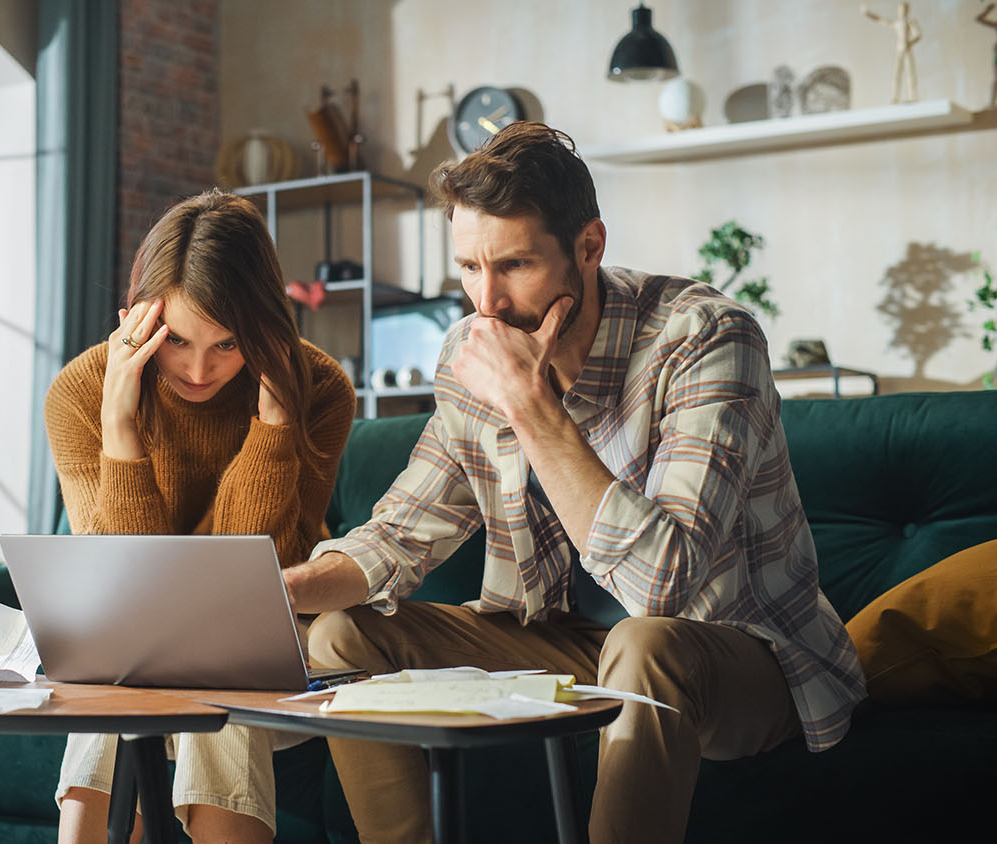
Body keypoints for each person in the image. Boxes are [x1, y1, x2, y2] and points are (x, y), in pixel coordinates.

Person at [282, 122, 867, 844]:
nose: (485, 304)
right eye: (468, 268)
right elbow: (402, 532)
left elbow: (663, 588)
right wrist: (283, 593)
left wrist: (530, 406)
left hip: (741, 652)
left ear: (588, 246)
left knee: (646, 646)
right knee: (342, 636)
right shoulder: (474, 350)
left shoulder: (705, 339)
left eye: (515, 265)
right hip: (566, 641)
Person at [44, 188, 356, 844]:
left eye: (227, 344)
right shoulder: (81, 391)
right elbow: (122, 583)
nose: (196, 369)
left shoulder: (319, 389)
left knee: (219, 658)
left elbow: (255, 580)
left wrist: (274, 425)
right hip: (136, 646)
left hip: (271, 641)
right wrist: (119, 427)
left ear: (269, 330)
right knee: (119, 674)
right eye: (176, 341)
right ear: (133, 321)